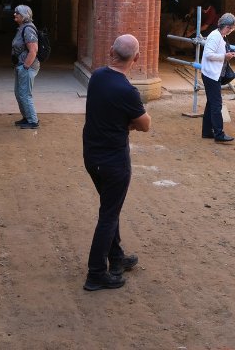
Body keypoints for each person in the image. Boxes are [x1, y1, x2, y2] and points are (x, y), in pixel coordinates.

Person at [82, 34, 151, 292]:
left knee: (110, 209)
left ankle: (117, 257)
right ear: (137, 58)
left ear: (111, 50)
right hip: (114, 161)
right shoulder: (128, 91)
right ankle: (96, 272)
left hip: (92, 156)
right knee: (109, 215)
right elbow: (146, 124)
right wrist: (129, 122)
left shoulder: (98, 76)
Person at [201, 12, 235, 143]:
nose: (231, 31)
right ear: (226, 26)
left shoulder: (218, 35)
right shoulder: (216, 37)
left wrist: (226, 54)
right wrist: (224, 56)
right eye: (231, 28)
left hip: (211, 73)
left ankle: (207, 131)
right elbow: (208, 54)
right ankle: (219, 133)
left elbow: (211, 53)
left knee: (211, 103)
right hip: (211, 74)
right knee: (216, 104)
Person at [11, 4, 40, 129]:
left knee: (25, 94)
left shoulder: (28, 29)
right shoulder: (22, 28)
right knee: (19, 93)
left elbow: (33, 50)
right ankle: (26, 117)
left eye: (17, 13)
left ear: (24, 16)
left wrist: (25, 67)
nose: (15, 14)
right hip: (21, 66)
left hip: (27, 66)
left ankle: (33, 121)